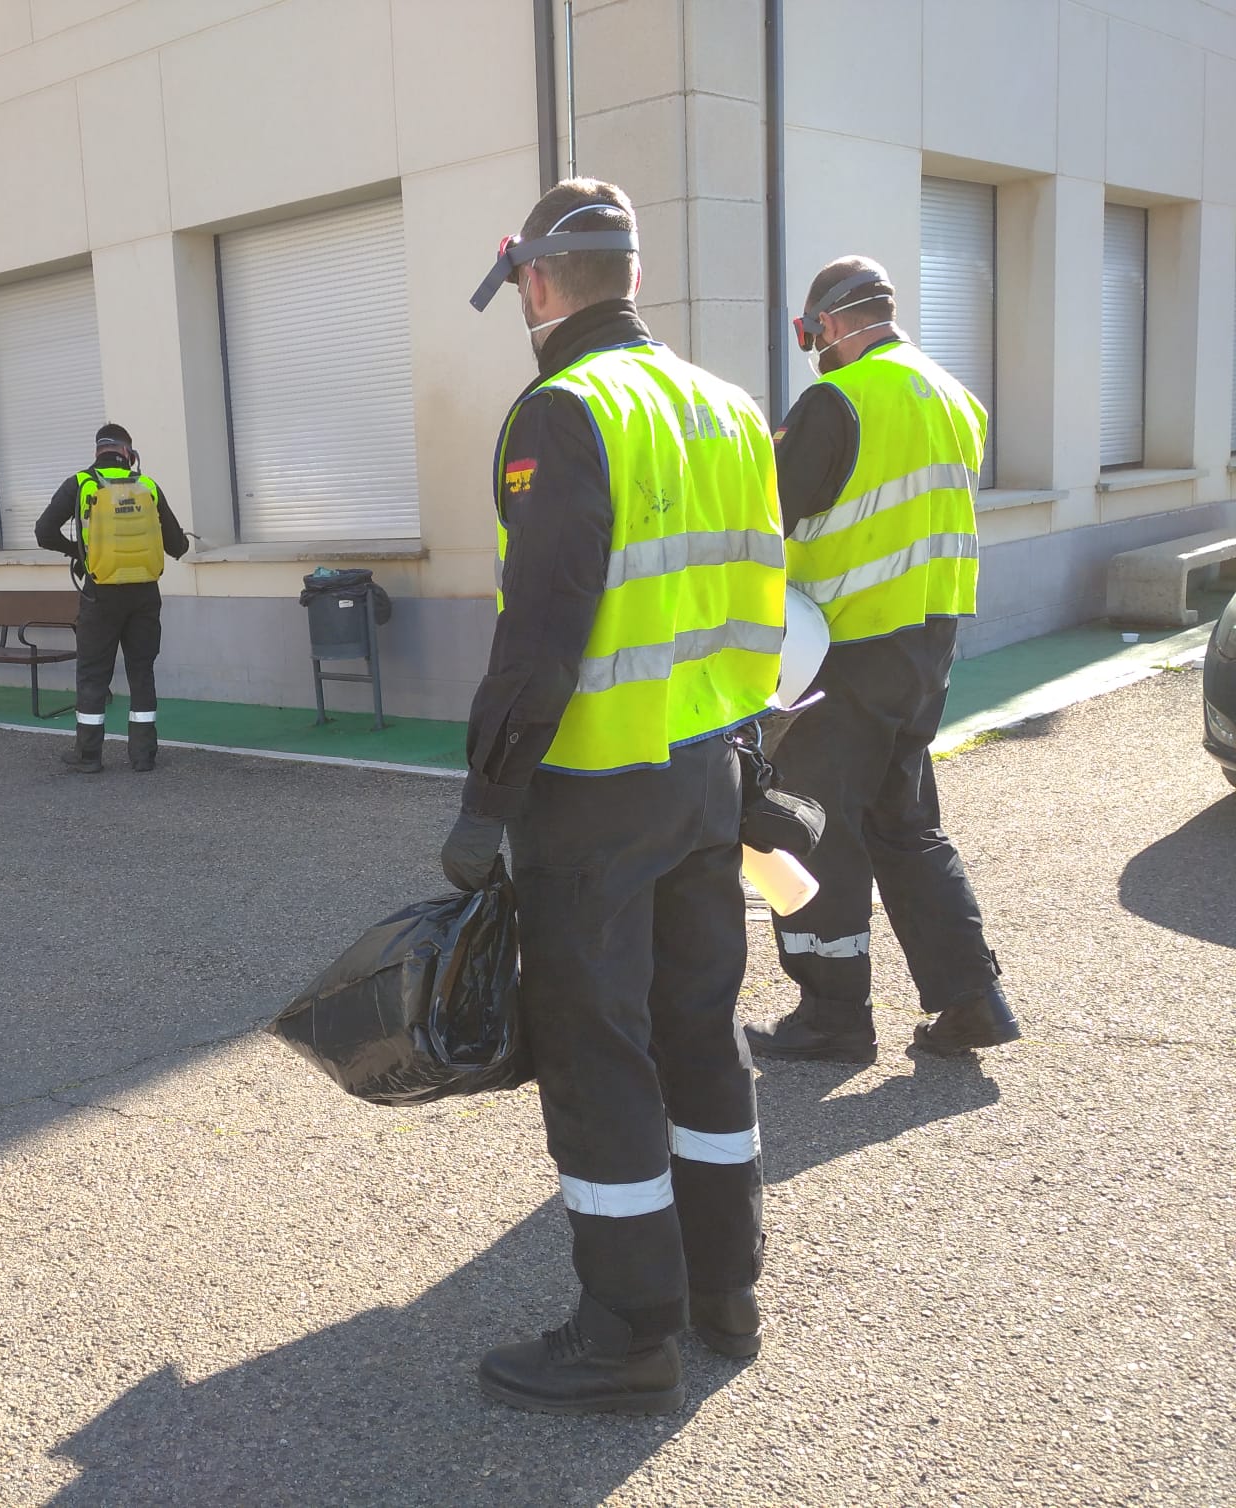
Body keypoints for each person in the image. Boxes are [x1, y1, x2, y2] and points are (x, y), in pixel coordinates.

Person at [443, 178, 786, 1415]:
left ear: (538, 285)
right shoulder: (731, 408)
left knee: (599, 1052)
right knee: (701, 1025)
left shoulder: (562, 411)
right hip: (707, 774)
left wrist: (486, 805)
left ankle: (626, 1332)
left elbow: (541, 631)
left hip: (594, 792)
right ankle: (723, 1287)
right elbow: (759, 607)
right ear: (629, 276)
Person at [744, 258, 1021, 1064]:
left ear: (827, 325)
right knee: (904, 823)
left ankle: (833, 1018)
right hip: (926, 647)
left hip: (842, 650)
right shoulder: (955, 398)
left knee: (811, 828)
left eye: (809, 335)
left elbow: (765, 520)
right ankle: (973, 1000)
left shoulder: (838, 400)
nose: (812, 349)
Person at [34, 423, 190, 773]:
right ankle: (143, 755)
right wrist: (183, 543)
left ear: (97, 451)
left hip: (100, 594)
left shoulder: (80, 483)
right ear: (128, 452)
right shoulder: (147, 485)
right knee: (141, 670)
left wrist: (81, 552)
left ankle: (88, 755)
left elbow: (44, 531)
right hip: (145, 595)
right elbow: (176, 545)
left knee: (93, 673)